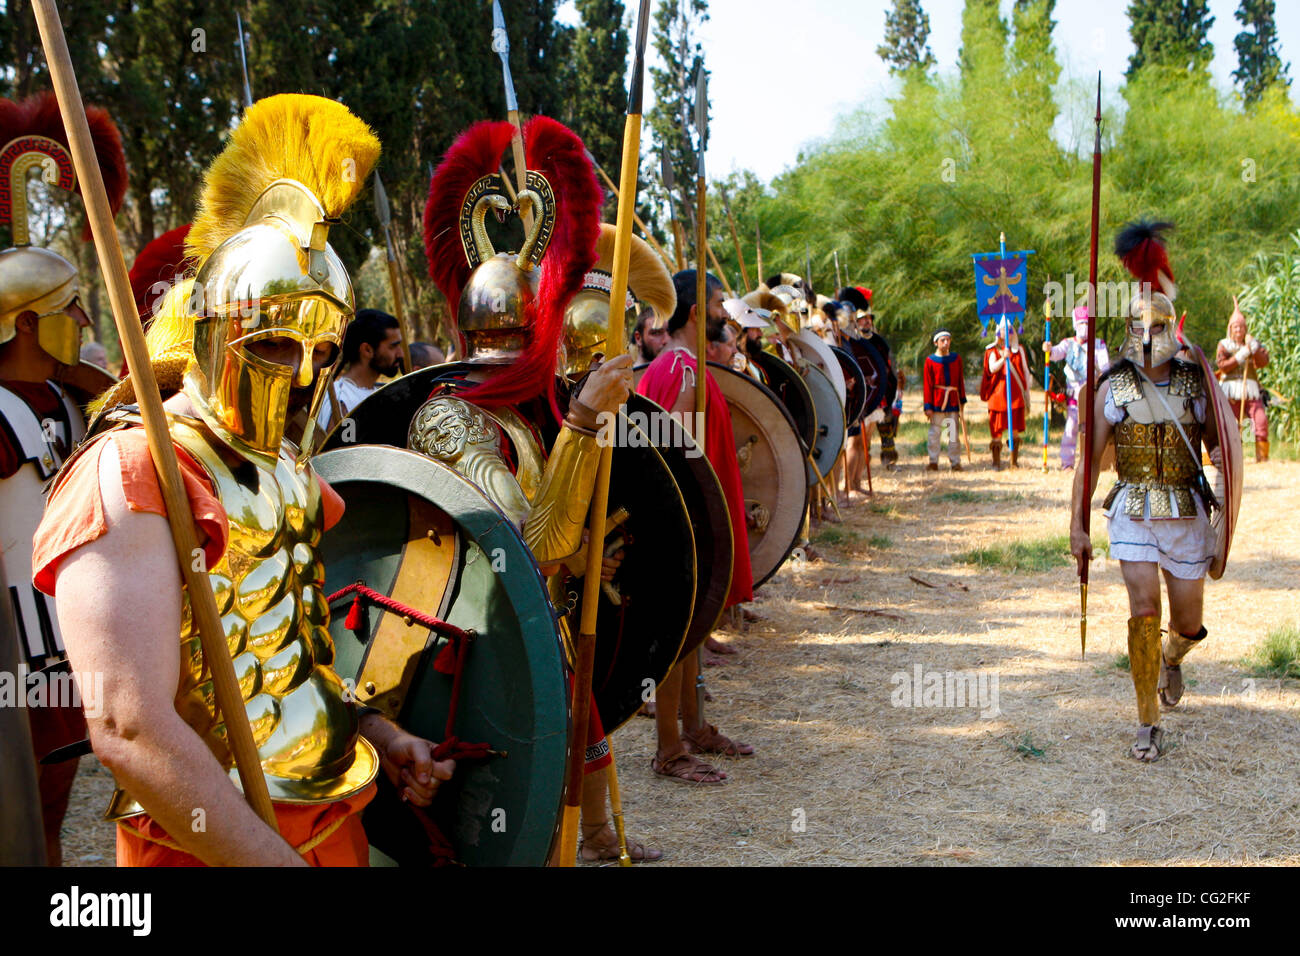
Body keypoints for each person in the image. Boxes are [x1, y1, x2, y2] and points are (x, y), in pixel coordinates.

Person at [33, 95, 446, 866]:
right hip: (206, 844)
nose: (300, 377)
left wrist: (380, 734)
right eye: (278, 346)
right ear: (213, 328)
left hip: (328, 808)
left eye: (321, 355)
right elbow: (127, 727)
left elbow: (297, 641)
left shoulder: (289, 470)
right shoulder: (131, 470)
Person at [0, 91, 127, 866]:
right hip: (11, 641)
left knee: (57, 789)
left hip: (66, 631)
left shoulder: (77, 396)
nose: (81, 320)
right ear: (23, 321)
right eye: (66, 306)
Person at [1071, 220, 1223, 762]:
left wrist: (1227, 504)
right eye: (1140, 329)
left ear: (1171, 330)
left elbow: (1219, 449)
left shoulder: (1194, 384)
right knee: (1142, 609)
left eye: (1156, 329)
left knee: (1185, 623)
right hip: (1133, 508)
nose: (1148, 339)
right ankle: (1146, 722)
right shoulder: (1113, 388)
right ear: (1130, 332)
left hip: (1185, 510)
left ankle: (1173, 656)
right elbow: (1087, 464)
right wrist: (1078, 525)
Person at [637, 270, 755, 784]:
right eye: (716, 304)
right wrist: (691, 530)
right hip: (682, 523)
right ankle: (669, 748)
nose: (723, 314)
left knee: (692, 630)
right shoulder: (682, 371)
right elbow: (678, 458)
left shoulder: (680, 365)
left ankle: (695, 725)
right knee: (679, 634)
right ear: (692, 313)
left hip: (689, 522)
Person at [1046, 304, 1110, 469]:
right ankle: (1067, 463)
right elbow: (1056, 353)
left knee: (1095, 429)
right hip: (1074, 395)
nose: (1085, 327)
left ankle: (1095, 462)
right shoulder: (1068, 343)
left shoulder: (1098, 344)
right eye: (1082, 323)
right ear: (1075, 324)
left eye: (1088, 323)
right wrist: (1049, 349)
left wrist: (1100, 373)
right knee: (1072, 427)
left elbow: (1105, 367)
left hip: (1094, 394)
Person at [1215, 297, 1270, 462]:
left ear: (1245, 329)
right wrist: (1242, 354)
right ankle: (1234, 457)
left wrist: (1254, 348)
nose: (1238, 330)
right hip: (1230, 391)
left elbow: (1262, 362)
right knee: (1231, 424)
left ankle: (1262, 457)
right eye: (1236, 327)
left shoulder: (1252, 344)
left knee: (1259, 420)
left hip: (1250, 390)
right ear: (1231, 329)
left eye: (1241, 327)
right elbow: (1223, 365)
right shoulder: (1224, 345)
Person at [980, 318, 1032, 469]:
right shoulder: (992, 350)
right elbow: (991, 369)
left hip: (1015, 397)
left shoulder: (1019, 349)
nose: (1007, 333)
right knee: (996, 431)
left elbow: (1025, 372)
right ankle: (996, 462)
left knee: (1014, 429)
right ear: (998, 332)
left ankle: (1013, 461)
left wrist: (1027, 391)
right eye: (1003, 330)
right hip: (998, 397)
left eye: (1009, 330)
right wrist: (1004, 357)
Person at [336, 308, 403, 414]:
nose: (401, 354)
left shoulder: (382, 394)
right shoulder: (342, 399)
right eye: (393, 346)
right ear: (367, 350)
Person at [923, 330, 966, 471]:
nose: (946, 342)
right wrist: (928, 406)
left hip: (953, 400)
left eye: (948, 339)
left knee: (953, 433)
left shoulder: (956, 358)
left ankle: (955, 462)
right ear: (936, 342)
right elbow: (927, 384)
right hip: (937, 401)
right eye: (943, 340)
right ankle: (933, 461)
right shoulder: (930, 361)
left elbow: (960, 380)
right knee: (934, 432)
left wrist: (962, 400)